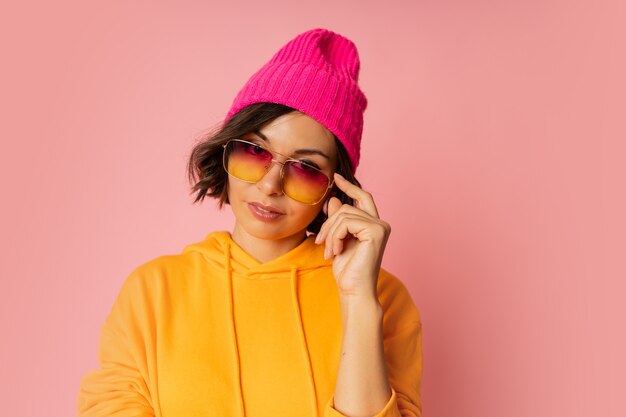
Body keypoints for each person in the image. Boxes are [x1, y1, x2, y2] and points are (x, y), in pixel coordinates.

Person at [77, 28, 423, 417]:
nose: (270, 184)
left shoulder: (384, 299)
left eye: (306, 168)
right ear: (226, 150)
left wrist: (359, 302)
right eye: (254, 151)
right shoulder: (152, 292)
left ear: (336, 189)